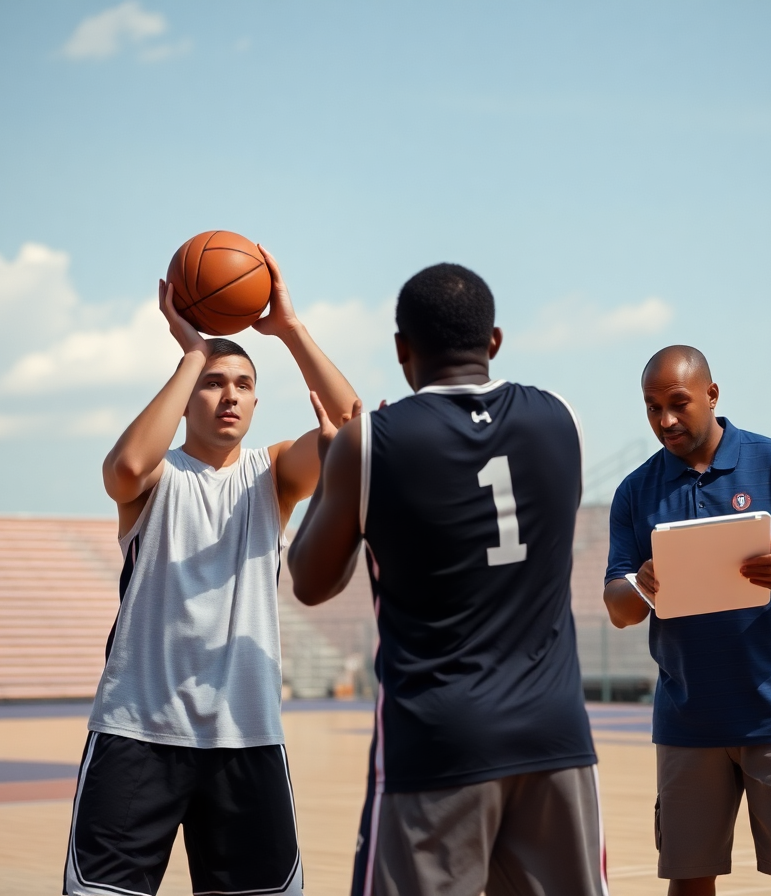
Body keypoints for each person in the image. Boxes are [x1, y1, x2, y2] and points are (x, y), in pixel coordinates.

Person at [287, 263, 609, 896]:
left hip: (437, 744)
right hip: (556, 734)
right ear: (494, 341)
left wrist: (335, 474)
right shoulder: (560, 420)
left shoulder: (369, 445)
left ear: (402, 349)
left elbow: (309, 581)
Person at [63, 247, 360, 896]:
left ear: (256, 404)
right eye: (214, 383)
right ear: (187, 393)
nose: (230, 396)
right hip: (136, 729)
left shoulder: (272, 476)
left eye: (244, 385)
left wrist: (288, 329)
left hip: (245, 732)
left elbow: (349, 428)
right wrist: (192, 350)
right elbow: (123, 471)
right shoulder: (158, 477)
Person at [603, 345, 771, 896]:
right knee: (689, 883)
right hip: (687, 721)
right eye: (652, 408)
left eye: (677, 403)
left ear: (713, 394)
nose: (665, 421)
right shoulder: (634, 491)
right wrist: (641, 586)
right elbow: (617, 607)